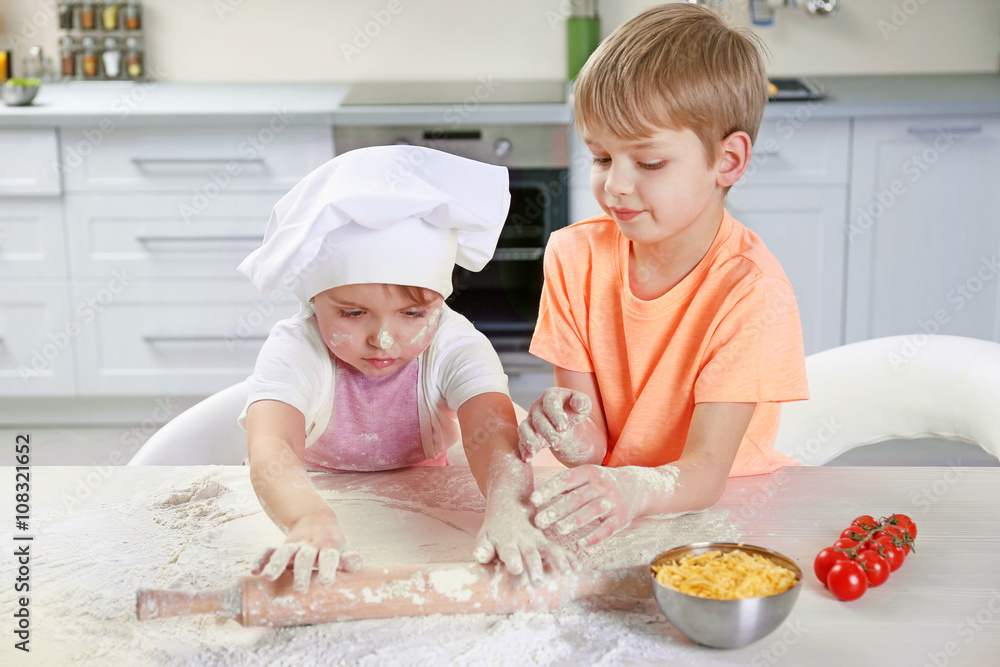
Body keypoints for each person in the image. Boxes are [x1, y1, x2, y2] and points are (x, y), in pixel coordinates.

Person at [518, 4, 809, 550]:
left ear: (727, 161)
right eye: (602, 157)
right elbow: (594, 442)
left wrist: (629, 487)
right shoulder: (572, 257)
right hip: (617, 502)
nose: (616, 186)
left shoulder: (751, 294)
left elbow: (706, 470)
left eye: (648, 163)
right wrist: (567, 432)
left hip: (722, 514)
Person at [237, 145, 573, 593]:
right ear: (314, 300)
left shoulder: (453, 343)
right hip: (311, 494)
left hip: (428, 495)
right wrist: (308, 519)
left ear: (441, 301)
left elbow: (491, 430)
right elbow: (272, 447)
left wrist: (507, 507)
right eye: (353, 314)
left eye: (413, 314)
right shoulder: (298, 348)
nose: (384, 340)